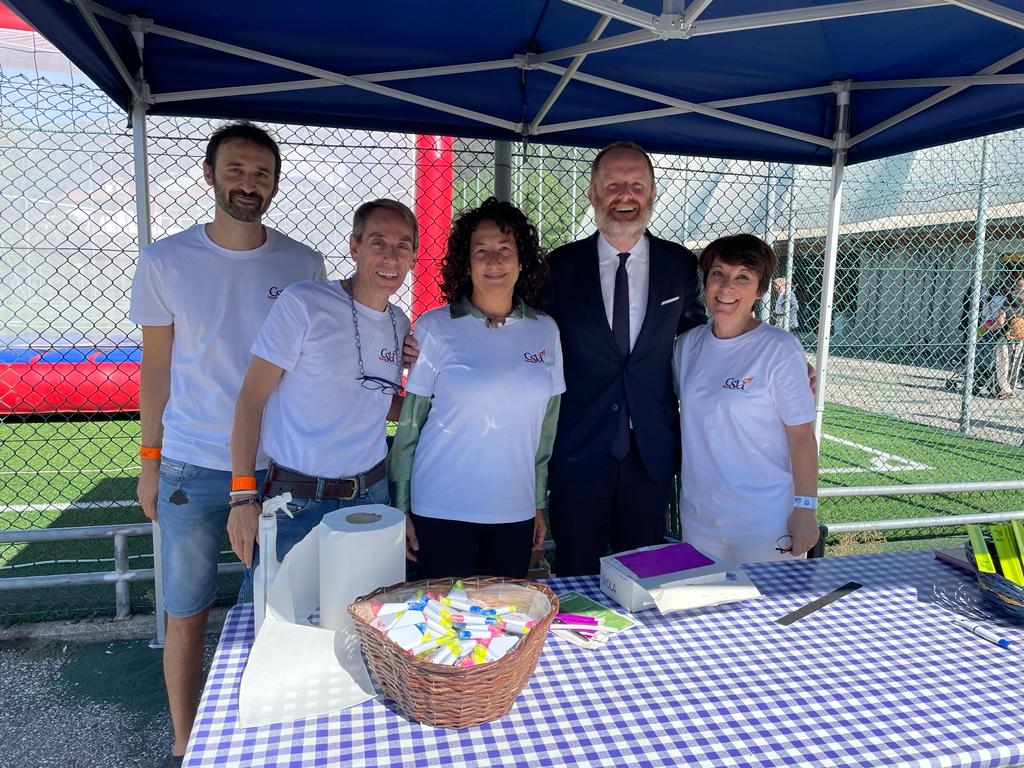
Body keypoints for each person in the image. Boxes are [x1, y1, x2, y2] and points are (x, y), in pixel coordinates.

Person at [130, 122, 326, 767]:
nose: (249, 184)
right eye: (237, 171)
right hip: (190, 463)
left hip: (278, 472)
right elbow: (155, 368)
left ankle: (268, 735)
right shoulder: (164, 261)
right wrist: (150, 461)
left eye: (262, 174)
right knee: (186, 614)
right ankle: (187, 743)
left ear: (274, 183)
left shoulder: (303, 265)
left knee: (279, 610)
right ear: (210, 175)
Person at [544, 141, 707, 576]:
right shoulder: (557, 267)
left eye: (636, 185)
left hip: (649, 455)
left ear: (652, 193)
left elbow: (702, 338)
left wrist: (758, 354)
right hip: (578, 452)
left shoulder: (678, 264)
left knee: (645, 578)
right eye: (613, 184)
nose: (625, 195)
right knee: (577, 576)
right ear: (593, 194)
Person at [228, 199, 416, 573]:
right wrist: (242, 497)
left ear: (413, 256)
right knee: (274, 620)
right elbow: (251, 399)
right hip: (297, 500)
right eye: (378, 242)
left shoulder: (400, 322)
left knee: (363, 618)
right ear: (354, 246)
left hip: (370, 498)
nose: (391, 257)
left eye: (403, 246)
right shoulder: (305, 302)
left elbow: (377, 400)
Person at [389, 197, 564, 579]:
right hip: (439, 511)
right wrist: (400, 508)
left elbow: (544, 436)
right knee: (441, 629)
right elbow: (409, 430)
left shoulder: (545, 330)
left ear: (522, 261)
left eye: (505, 249)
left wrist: (537, 503)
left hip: (513, 511)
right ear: (466, 264)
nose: (494, 261)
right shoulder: (434, 327)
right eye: (481, 251)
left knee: (503, 628)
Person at [672, 234, 819, 563]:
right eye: (718, 274)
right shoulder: (686, 347)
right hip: (700, 519)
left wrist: (805, 509)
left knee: (771, 612)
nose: (726, 288)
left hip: (764, 520)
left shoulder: (780, 350)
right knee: (703, 611)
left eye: (743, 277)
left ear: (760, 290)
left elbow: (801, 438)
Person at [994, 275, 1024, 400]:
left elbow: (1000, 323)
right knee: (1013, 364)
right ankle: (1008, 388)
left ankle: (1006, 389)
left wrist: (993, 327)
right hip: (1018, 339)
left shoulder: (1006, 304)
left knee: (1004, 364)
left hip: (1006, 338)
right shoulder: (1016, 305)